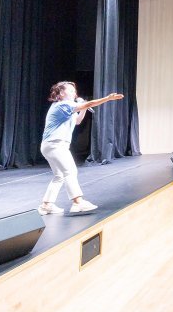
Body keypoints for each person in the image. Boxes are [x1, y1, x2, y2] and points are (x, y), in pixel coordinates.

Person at [38, 81, 125, 215]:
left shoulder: (68, 108)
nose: (74, 93)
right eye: (71, 90)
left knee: (59, 175)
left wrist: (82, 107)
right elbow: (89, 103)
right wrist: (107, 98)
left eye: (75, 90)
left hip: (51, 145)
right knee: (70, 171)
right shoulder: (62, 105)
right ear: (61, 93)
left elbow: (78, 121)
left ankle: (46, 205)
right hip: (56, 144)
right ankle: (77, 202)